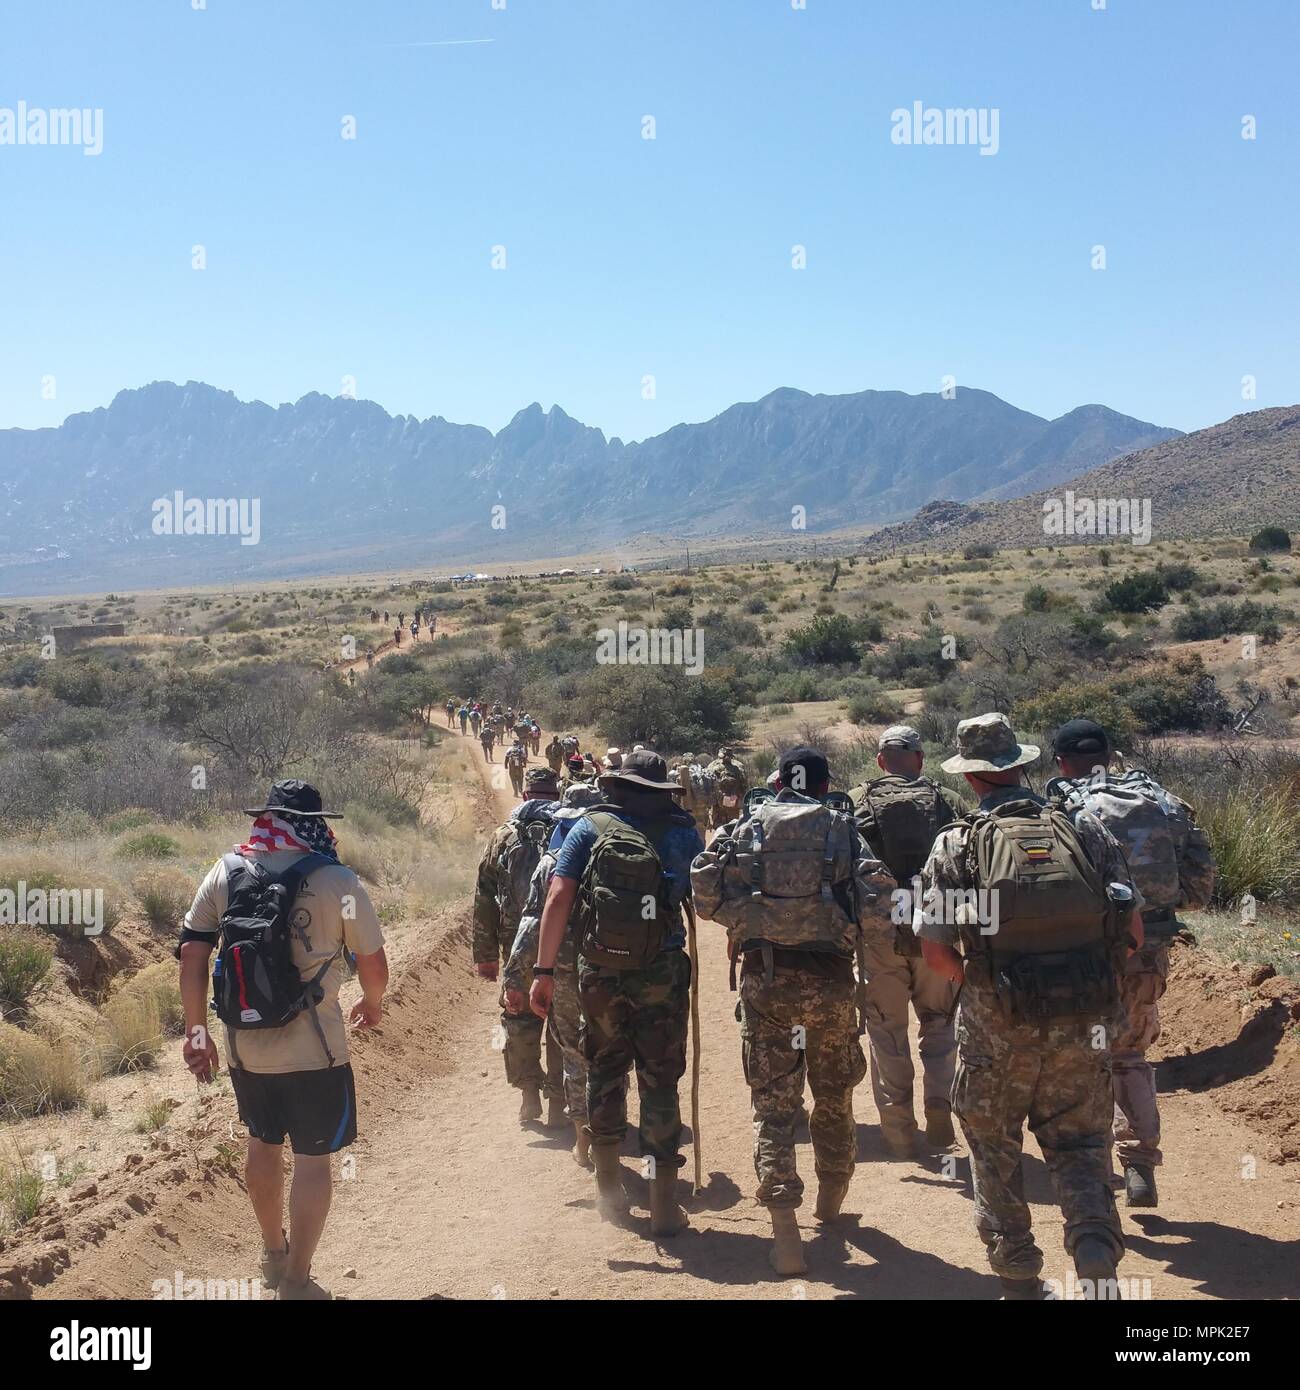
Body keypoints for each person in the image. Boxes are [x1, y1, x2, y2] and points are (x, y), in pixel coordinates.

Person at [914, 713, 1138, 1300]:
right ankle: (1092, 1244)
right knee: (1082, 1144)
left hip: (997, 1032)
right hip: (1083, 1025)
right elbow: (1131, 930)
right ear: (1020, 765)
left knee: (994, 1148)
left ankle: (1018, 1274)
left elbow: (934, 952)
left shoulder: (956, 844)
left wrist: (982, 986)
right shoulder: (1084, 830)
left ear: (971, 778)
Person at [177, 780, 387, 1301]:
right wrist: (374, 1003)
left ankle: (272, 1253)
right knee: (314, 1161)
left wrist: (196, 1032)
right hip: (317, 1049)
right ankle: (296, 1280)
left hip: (246, 1048)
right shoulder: (338, 880)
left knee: (262, 1144)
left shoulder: (226, 872)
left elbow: (192, 955)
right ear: (315, 821)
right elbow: (374, 967)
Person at [692, 747, 886, 1275]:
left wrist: (747, 919)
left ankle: (785, 1230)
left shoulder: (747, 826)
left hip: (766, 981)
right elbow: (881, 899)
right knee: (834, 1094)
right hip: (830, 983)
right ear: (825, 785)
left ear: (778, 782)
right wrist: (844, 929)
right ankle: (831, 1201)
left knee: (775, 1106)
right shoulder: (842, 828)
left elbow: (702, 889)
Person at [530, 750, 704, 1236]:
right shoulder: (684, 833)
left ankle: (610, 1193)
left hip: (600, 967)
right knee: (660, 1078)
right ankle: (664, 1202)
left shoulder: (588, 827)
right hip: (663, 970)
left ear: (618, 785)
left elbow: (558, 895)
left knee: (604, 1068)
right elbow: (704, 901)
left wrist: (543, 971)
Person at [1046, 718, 1216, 1210]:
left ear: (1061, 763)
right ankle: (1139, 1161)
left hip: (1082, 955)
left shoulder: (1057, 808)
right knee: (1130, 1056)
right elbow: (1201, 887)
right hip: (1147, 952)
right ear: (1110, 754)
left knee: (1081, 1061)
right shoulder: (1161, 800)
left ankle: (1093, 1172)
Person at [850, 724, 961, 1159]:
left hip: (881, 932)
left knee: (886, 1029)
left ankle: (898, 1128)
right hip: (936, 924)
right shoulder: (945, 799)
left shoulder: (856, 802)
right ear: (919, 759)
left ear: (880, 761)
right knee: (939, 1021)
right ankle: (939, 1099)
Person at [503, 780, 604, 1165]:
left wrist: (517, 976)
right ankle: (610, 1126)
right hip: (612, 968)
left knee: (575, 1053)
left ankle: (583, 1137)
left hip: (564, 974)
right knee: (609, 1049)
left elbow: (531, 923)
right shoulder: (613, 851)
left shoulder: (551, 862)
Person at [472, 768, 566, 1126]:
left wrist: (484, 956)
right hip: (560, 943)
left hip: (516, 944)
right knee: (560, 1018)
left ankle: (530, 1097)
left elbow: (484, 898)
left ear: (525, 795)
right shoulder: (569, 832)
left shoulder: (504, 836)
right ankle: (559, 1102)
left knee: (519, 1015)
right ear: (555, 794)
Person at [704, 747, 748, 829]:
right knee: (733, 823)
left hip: (718, 799)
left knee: (718, 824)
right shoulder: (739, 766)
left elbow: (708, 784)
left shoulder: (712, 766)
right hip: (733, 797)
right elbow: (744, 783)